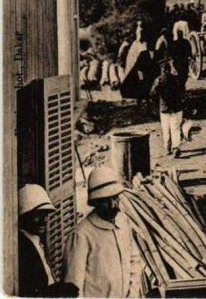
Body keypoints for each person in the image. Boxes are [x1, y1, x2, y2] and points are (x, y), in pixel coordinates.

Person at [65, 167, 140, 297]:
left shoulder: (123, 222)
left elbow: (134, 261)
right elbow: (73, 285)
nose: (112, 205)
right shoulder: (81, 234)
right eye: (106, 200)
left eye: (115, 198)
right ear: (95, 202)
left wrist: (133, 294)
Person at [18, 184, 77, 297]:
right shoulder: (23, 248)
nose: (44, 220)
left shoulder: (36, 240)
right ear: (24, 215)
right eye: (37, 215)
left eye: (45, 214)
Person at [150, 57, 185, 158]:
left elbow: (152, 93)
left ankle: (167, 148)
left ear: (162, 70)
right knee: (176, 129)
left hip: (164, 107)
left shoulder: (158, 80)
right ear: (169, 69)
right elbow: (181, 92)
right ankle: (176, 147)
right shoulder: (176, 79)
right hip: (176, 107)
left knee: (165, 129)